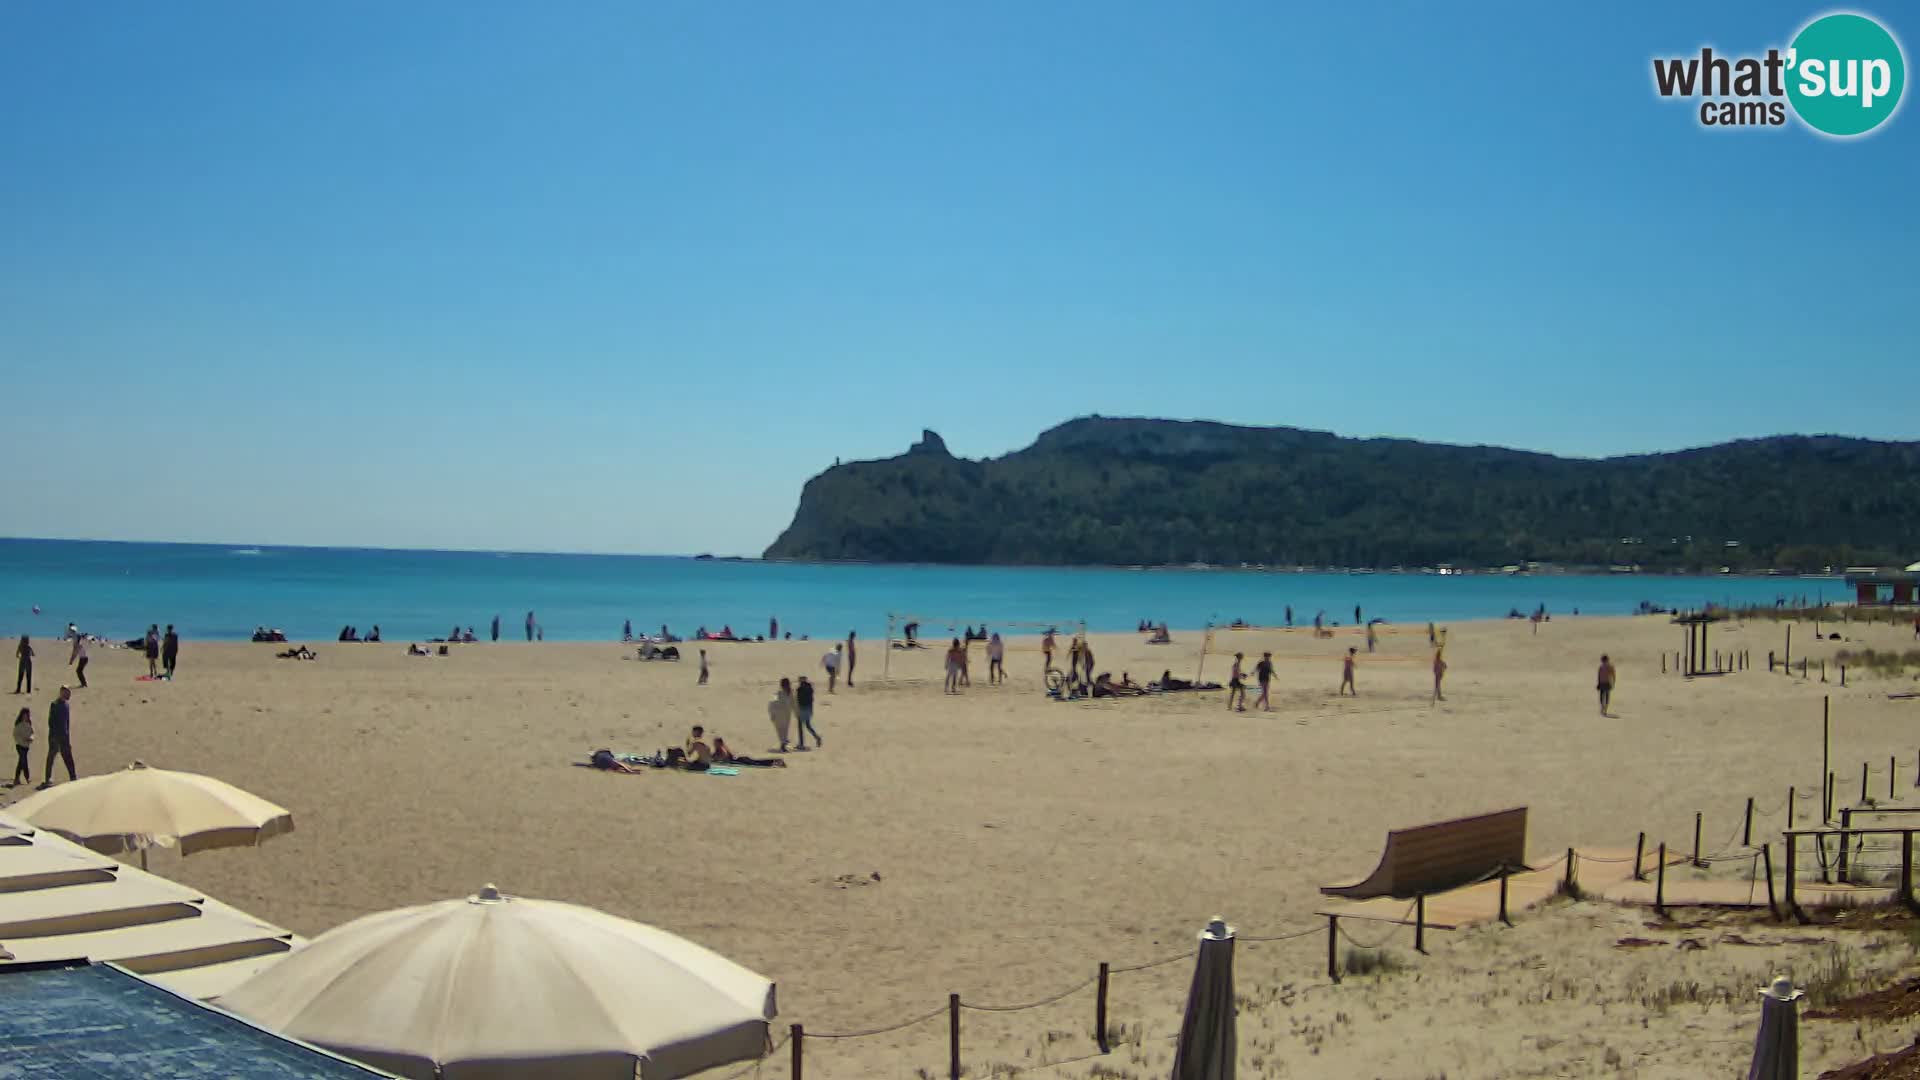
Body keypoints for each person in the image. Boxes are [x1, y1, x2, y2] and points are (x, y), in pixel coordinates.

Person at [39, 686, 75, 788]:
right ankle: (48, 779)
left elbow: (67, 723)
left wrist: (67, 738)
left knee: (68, 758)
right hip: (55, 737)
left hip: (64, 736)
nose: (69, 695)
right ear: (61, 692)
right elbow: (51, 722)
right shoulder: (55, 705)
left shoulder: (66, 705)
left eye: (69, 693)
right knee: (51, 758)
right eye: (67, 693)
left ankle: (73, 777)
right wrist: (54, 737)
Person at [712, 736, 786, 768]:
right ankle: (777, 761)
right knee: (758, 762)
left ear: (719, 743)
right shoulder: (721, 747)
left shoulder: (722, 750)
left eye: (715, 742)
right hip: (741, 759)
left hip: (741, 760)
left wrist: (715, 759)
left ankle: (777, 761)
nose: (713, 743)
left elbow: (723, 758)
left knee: (759, 764)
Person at [768, 680, 795, 752]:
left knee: (780, 730)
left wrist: (772, 713)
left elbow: (772, 704)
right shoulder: (790, 693)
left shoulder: (777, 693)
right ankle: (783, 744)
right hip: (787, 714)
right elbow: (793, 703)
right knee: (785, 730)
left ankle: (783, 744)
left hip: (778, 714)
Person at [795, 675, 820, 748]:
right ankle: (817, 737)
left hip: (802, 709)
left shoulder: (800, 689)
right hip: (809, 709)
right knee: (808, 726)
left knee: (801, 727)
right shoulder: (810, 688)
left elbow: (798, 701)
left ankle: (801, 744)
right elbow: (811, 700)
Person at [12, 706, 31, 786]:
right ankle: (27, 777)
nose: (26, 716)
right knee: (24, 761)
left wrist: (31, 738)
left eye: (27, 715)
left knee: (21, 762)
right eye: (24, 715)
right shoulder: (18, 724)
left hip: (26, 746)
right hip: (20, 746)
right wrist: (22, 740)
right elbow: (15, 735)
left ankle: (16, 779)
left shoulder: (29, 723)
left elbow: (32, 732)